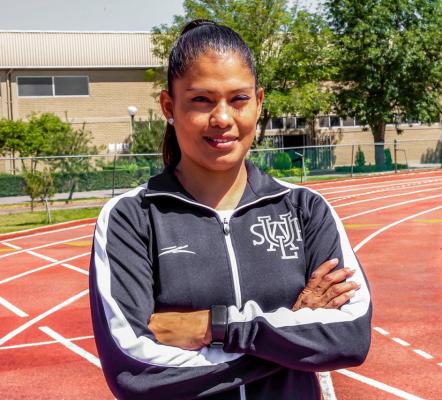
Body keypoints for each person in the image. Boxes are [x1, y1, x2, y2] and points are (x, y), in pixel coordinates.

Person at [89, 19, 371, 400]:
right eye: (201, 100)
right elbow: (135, 372)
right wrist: (294, 336)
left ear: (259, 102)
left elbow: (351, 335)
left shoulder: (305, 210)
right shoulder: (131, 219)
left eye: (238, 99)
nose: (222, 118)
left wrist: (217, 327)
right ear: (169, 106)